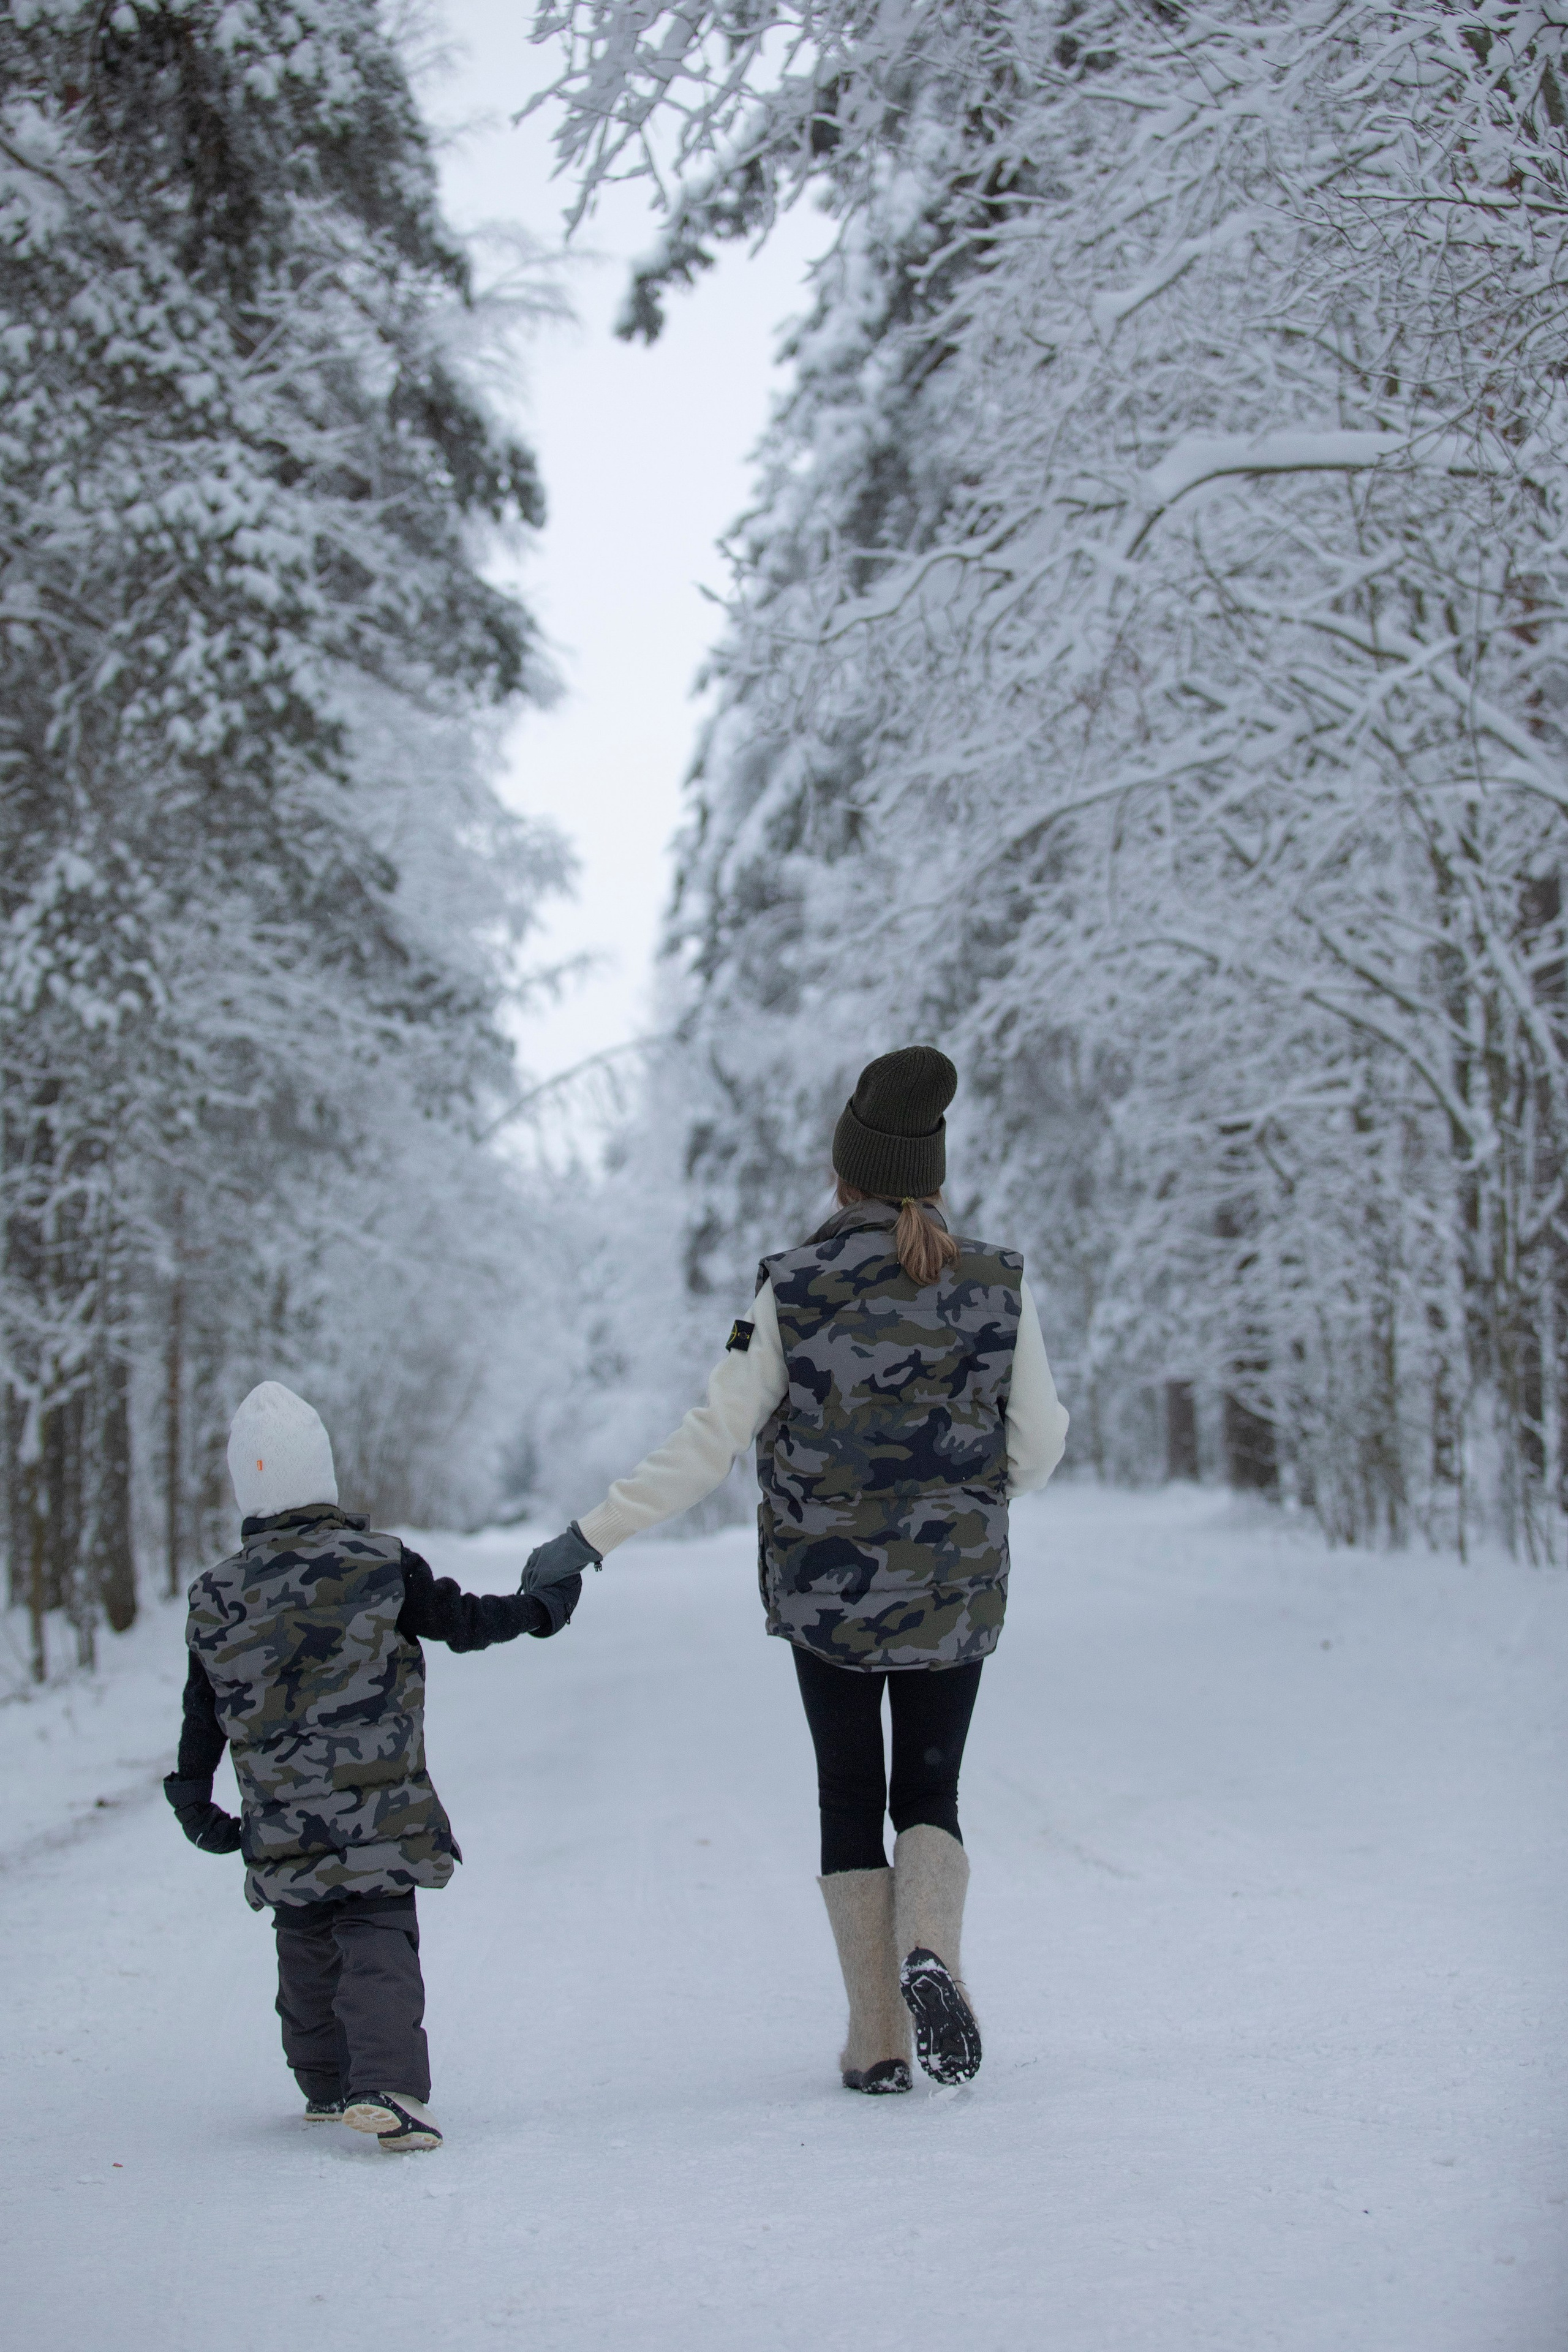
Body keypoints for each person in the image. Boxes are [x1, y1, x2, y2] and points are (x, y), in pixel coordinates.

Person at [522, 1046, 1068, 2094]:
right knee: (931, 1790)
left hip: (828, 1596)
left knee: (847, 1792)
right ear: (935, 1174)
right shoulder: (998, 1284)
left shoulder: (795, 1286)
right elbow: (1037, 1442)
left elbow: (711, 1437)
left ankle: (875, 2045)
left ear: (844, 1174)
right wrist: (964, 1504)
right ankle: (933, 1955)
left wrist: (590, 1537)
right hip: (954, 1586)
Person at [164, 1380, 583, 2154]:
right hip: (380, 1810)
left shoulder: (216, 1595)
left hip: (281, 1815)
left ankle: (325, 2087)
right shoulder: (381, 1564)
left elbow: (203, 1711)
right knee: (376, 1935)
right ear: (323, 1478)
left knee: (305, 1942)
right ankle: (387, 2089)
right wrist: (540, 1609)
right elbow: (462, 1622)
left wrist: (194, 1800)